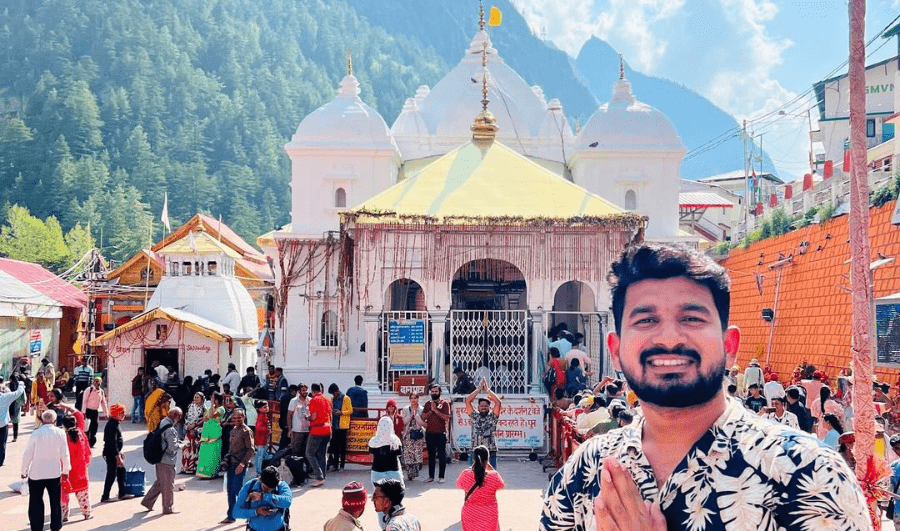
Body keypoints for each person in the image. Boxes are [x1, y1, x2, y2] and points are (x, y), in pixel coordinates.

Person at [539, 242, 870, 531]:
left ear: (729, 345)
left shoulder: (808, 474)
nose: (669, 338)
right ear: (616, 351)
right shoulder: (587, 470)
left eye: (692, 318)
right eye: (646, 320)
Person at [21, 409, 70, 531]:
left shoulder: (36, 433)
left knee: (36, 501)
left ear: (42, 420)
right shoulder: (60, 433)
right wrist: (66, 470)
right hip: (54, 473)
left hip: (36, 474)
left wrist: (24, 471)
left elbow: (27, 454)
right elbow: (65, 454)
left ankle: (37, 527)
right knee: (55, 500)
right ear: (55, 420)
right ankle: (56, 525)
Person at [140, 407, 183, 515]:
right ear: (176, 416)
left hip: (159, 457)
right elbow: (173, 447)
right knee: (168, 484)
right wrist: (181, 445)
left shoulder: (162, 422)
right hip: (167, 460)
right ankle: (168, 508)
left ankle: (147, 502)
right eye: (180, 416)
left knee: (160, 482)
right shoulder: (170, 429)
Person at [456, 445, 505, 531]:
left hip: (470, 513)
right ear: (488, 459)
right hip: (489, 514)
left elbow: (458, 485)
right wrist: (490, 467)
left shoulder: (465, 474)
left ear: (474, 459)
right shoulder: (494, 476)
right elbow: (501, 485)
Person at [233, 466, 293, 531]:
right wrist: (256, 512)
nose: (267, 491)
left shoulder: (281, 486)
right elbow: (236, 512)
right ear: (260, 479)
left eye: (271, 489)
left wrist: (264, 497)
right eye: (265, 488)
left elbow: (287, 502)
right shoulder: (249, 486)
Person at [221, 408, 254, 524]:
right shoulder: (233, 430)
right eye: (234, 418)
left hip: (240, 464)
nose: (236, 420)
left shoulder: (246, 431)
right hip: (231, 464)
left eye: (239, 417)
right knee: (230, 491)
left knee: (238, 491)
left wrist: (242, 464)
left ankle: (250, 515)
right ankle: (231, 516)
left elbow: (250, 450)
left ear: (243, 417)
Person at [60, 411, 91, 522]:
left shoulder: (63, 437)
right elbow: (80, 416)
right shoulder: (81, 434)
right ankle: (86, 513)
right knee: (82, 493)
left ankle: (64, 516)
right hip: (81, 469)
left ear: (63, 425)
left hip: (66, 469)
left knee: (64, 493)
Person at [464, 378, 501, 469]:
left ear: (489, 407)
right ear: (478, 407)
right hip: (475, 451)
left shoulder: (493, 416)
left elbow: (498, 402)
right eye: (481, 406)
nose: (483, 408)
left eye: (486, 406)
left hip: (490, 451)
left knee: (490, 476)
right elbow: (468, 401)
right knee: (473, 476)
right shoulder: (474, 415)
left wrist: (488, 390)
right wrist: (478, 389)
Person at [101, 404, 131, 502]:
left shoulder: (115, 423)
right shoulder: (111, 425)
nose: (123, 415)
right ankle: (105, 496)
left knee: (121, 472)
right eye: (122, 413)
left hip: (115, 452)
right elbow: (112, 443)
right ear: (116, 413)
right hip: (111, 453)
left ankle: (122, 493)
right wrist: (117, 456)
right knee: (111, 474)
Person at [422, 383, 450, 483]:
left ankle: (441, 477)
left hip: (441, 433)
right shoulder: (427, 404)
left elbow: (446, 418)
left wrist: (436, 410)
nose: (434, 393)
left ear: (439, 392)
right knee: (431, 455)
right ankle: (431, 476)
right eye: (432, 391)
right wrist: (430, 411)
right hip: (430, 432)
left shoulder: (445, 403)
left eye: (436, 391)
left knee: (442, 455)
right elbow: (423, 417)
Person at [306, 382, 332, 487]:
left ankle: (319, 476)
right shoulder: (327, 399)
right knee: (322, 454)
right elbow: (330, 414)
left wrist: (307, 417)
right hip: (327, 429)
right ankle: (322, 476)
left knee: (310, 453)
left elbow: (313, 416)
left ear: (313, 391)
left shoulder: (314, 400)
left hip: (317, 430)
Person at [369, 416, 404, 487]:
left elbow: (371, 454)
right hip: (394, 472)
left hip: (377, 472)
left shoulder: (373, 441)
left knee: (379, 496)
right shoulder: (396, 440)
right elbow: (399, 454)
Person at [197, 391, 225, 479]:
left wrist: (212, 406)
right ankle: (202, 472)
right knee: (205, 452)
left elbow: (213, 415)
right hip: (207, 432)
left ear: (216, 400)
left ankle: (211, 472)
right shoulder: (209, 408)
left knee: (213, 452)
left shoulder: (221, 409)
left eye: (212, 398)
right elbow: (205, 418)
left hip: (215, 433)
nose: (211, 399)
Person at [0, 374, 26, 465]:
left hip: (4, 423)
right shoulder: (4, 398)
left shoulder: (4, 397)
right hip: (3, 424)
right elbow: (18, 392)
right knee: (2, 443)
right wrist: (21, 384)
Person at [400, 393, 425, 482]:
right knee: (408, 454)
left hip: (418, 434)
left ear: (418, 399)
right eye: (412, 398)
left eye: (415, 398)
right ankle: (409, 473)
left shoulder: (422, 409)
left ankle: (415, 471)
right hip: (408, 434)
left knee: (417, 454)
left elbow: (423, 423)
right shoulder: (406, 409)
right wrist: (410, 415)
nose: (413, 400)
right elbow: (403, 422)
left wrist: (417, 417)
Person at [328, 383, 352, 472]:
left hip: (343, 426)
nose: (333, 395)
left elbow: (350, 410)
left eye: (334, 393)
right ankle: (335, 465)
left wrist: (341, 413)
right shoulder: (332, 399)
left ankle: (342, 465)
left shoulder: (346, 398)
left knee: (342, 447)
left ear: (337, 391)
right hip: (334, 425)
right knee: (335, 446)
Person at [80, 376, 108, 447]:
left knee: (94, 427)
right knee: (87, 427)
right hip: (88, 410)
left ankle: (92, 442)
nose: (96, 383)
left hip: (95, 411)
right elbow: (84, 401)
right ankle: (86, 442)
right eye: (95, 381)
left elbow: (103, 402)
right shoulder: (89, 390)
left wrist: (106, 413)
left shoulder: (101, 392)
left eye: (98, 381)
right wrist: (83, 412)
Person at [182, 392, 205, 474]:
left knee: (195, 447)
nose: (196, 399)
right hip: (189, 429)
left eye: (198, 397)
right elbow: (186, 417)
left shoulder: (204, 408)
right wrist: (188, 426)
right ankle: (185, 467)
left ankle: (193, 468)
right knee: (186, 447)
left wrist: (194, 426)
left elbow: (203, 419)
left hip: (198, 430)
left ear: (202, 399)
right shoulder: (190, 407)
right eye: (195, 397)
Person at [287, 383, 310, 456]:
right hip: (297, 430)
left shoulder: (310, 400)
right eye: (303, 390)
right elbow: (289, 415)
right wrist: (290, 429)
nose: (305, 392)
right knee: (296, 451)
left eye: (306, 390)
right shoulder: (294, 401)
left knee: (306, 452)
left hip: (308, 430)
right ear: (299, 391)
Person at [254, 400, 271, 471]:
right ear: (260, 409)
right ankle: (258, 471)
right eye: (264, 407)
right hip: (260, 439)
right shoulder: (261, 416)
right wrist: (267, 430)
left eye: (267, 406)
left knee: (263, 454)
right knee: (260, 456)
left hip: (263, 438)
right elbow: (258, 427)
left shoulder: (263, 415)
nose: (267, 408)